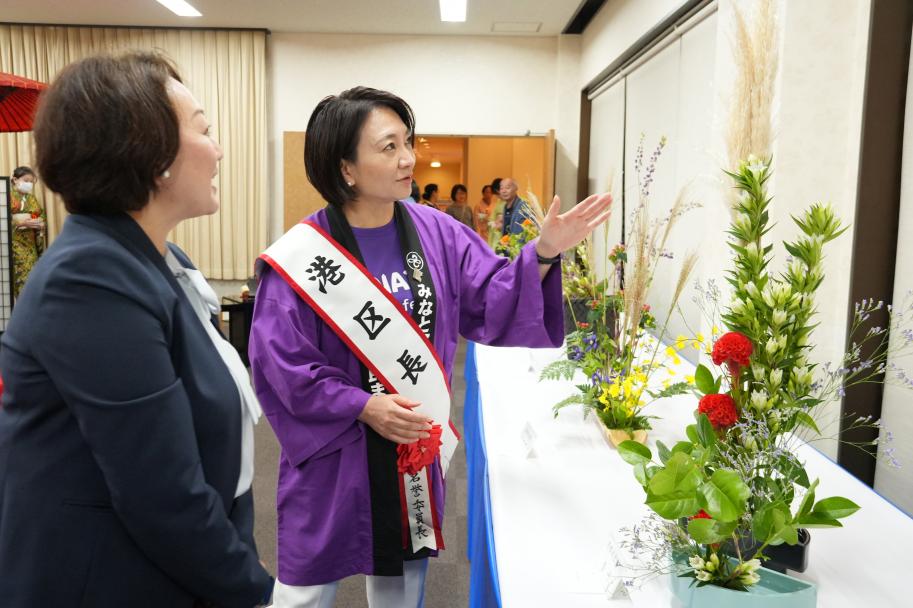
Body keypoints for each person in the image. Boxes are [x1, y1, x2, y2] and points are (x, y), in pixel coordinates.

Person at [248, 86, 611, 608]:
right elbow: (281, 363)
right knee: (303, 591)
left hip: (411, 447)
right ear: (346, 167)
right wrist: (363, 405)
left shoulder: (437, 232)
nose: (408, 158)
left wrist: (546, 251)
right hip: (335, 451)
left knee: (401, 586)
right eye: (388, 146)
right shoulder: (304, 257)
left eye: (408, 142)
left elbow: (491, 298)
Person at [0, 52, 273, 608]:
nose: (218, 150)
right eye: (203, 130)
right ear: (149, 153)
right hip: (110, 575)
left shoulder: (158, 258)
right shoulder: (91, 277)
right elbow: (161, 494)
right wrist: (258, 591)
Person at [9, 166, 46, 297]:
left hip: (30, 244)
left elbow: (40, 215)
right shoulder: (6, 197)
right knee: (18, 277)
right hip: (13, 243)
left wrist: (40, 223)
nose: (29, 184)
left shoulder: (31, 199)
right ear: (15, 180)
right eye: (26, 180)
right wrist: (20, 222)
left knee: (32, 276)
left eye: (32, 181)